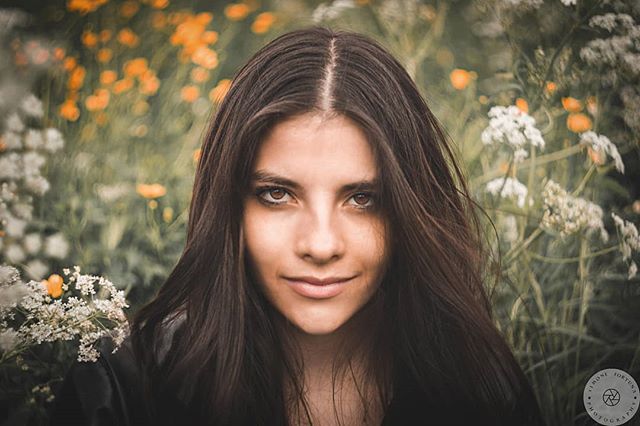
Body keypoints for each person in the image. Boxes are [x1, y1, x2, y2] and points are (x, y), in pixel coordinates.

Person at [49, 26, 545, 426]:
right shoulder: (124, 394)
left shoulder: (478, 390)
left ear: (411, 211)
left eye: (363, 198)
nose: (321, 244)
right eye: (277, 195)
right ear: (229, 208)